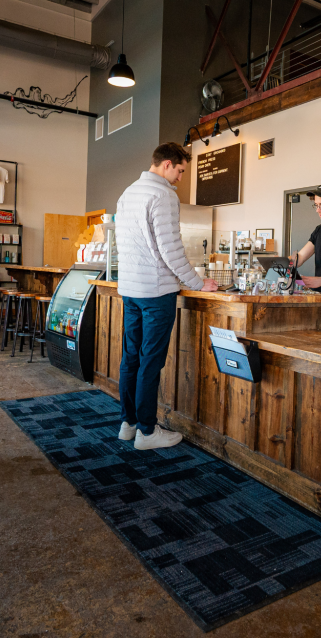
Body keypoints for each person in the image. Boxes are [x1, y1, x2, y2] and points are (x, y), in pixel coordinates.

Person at [114, 142, 219, 450]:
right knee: (150, 362)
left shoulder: (127, 193)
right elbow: (171, 251)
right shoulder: (163, 195)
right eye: (181, 171)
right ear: (168, 164)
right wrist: (198, 283)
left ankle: (129, 423)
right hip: (156, 292)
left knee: (130, 359)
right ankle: (147, 432)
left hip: (130, 290)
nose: (181, 179)